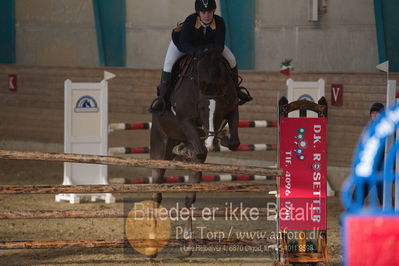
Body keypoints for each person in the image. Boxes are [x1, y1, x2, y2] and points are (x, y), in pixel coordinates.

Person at [149, 0, 253, 113]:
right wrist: (196, 51)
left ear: (213, 11)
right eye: (203, 12)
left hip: (207, 48)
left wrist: (206, 52)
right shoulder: (190, 20)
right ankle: (162, 99)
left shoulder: (220, 22)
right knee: (168, 65)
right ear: (198, 13)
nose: (206, 15)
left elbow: (219, 45)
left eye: (209, 12)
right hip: (182, 45)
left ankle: (236, 90)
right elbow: (184, 43)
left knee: (231, 59)